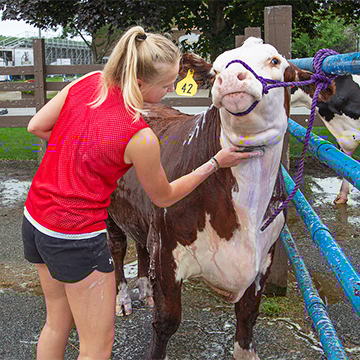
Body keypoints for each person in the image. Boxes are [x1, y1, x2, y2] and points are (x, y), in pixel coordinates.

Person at [22, 26, 262, 360]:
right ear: (139, 83)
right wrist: (214, 163)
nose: (171, 90)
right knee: (96, 346)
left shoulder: (88, 82)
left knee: (56, 324)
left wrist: (83, 151)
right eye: (166, 85)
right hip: (75, 235)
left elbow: (38, 125)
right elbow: (164, 196)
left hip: (35, 219)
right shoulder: (140, 136)